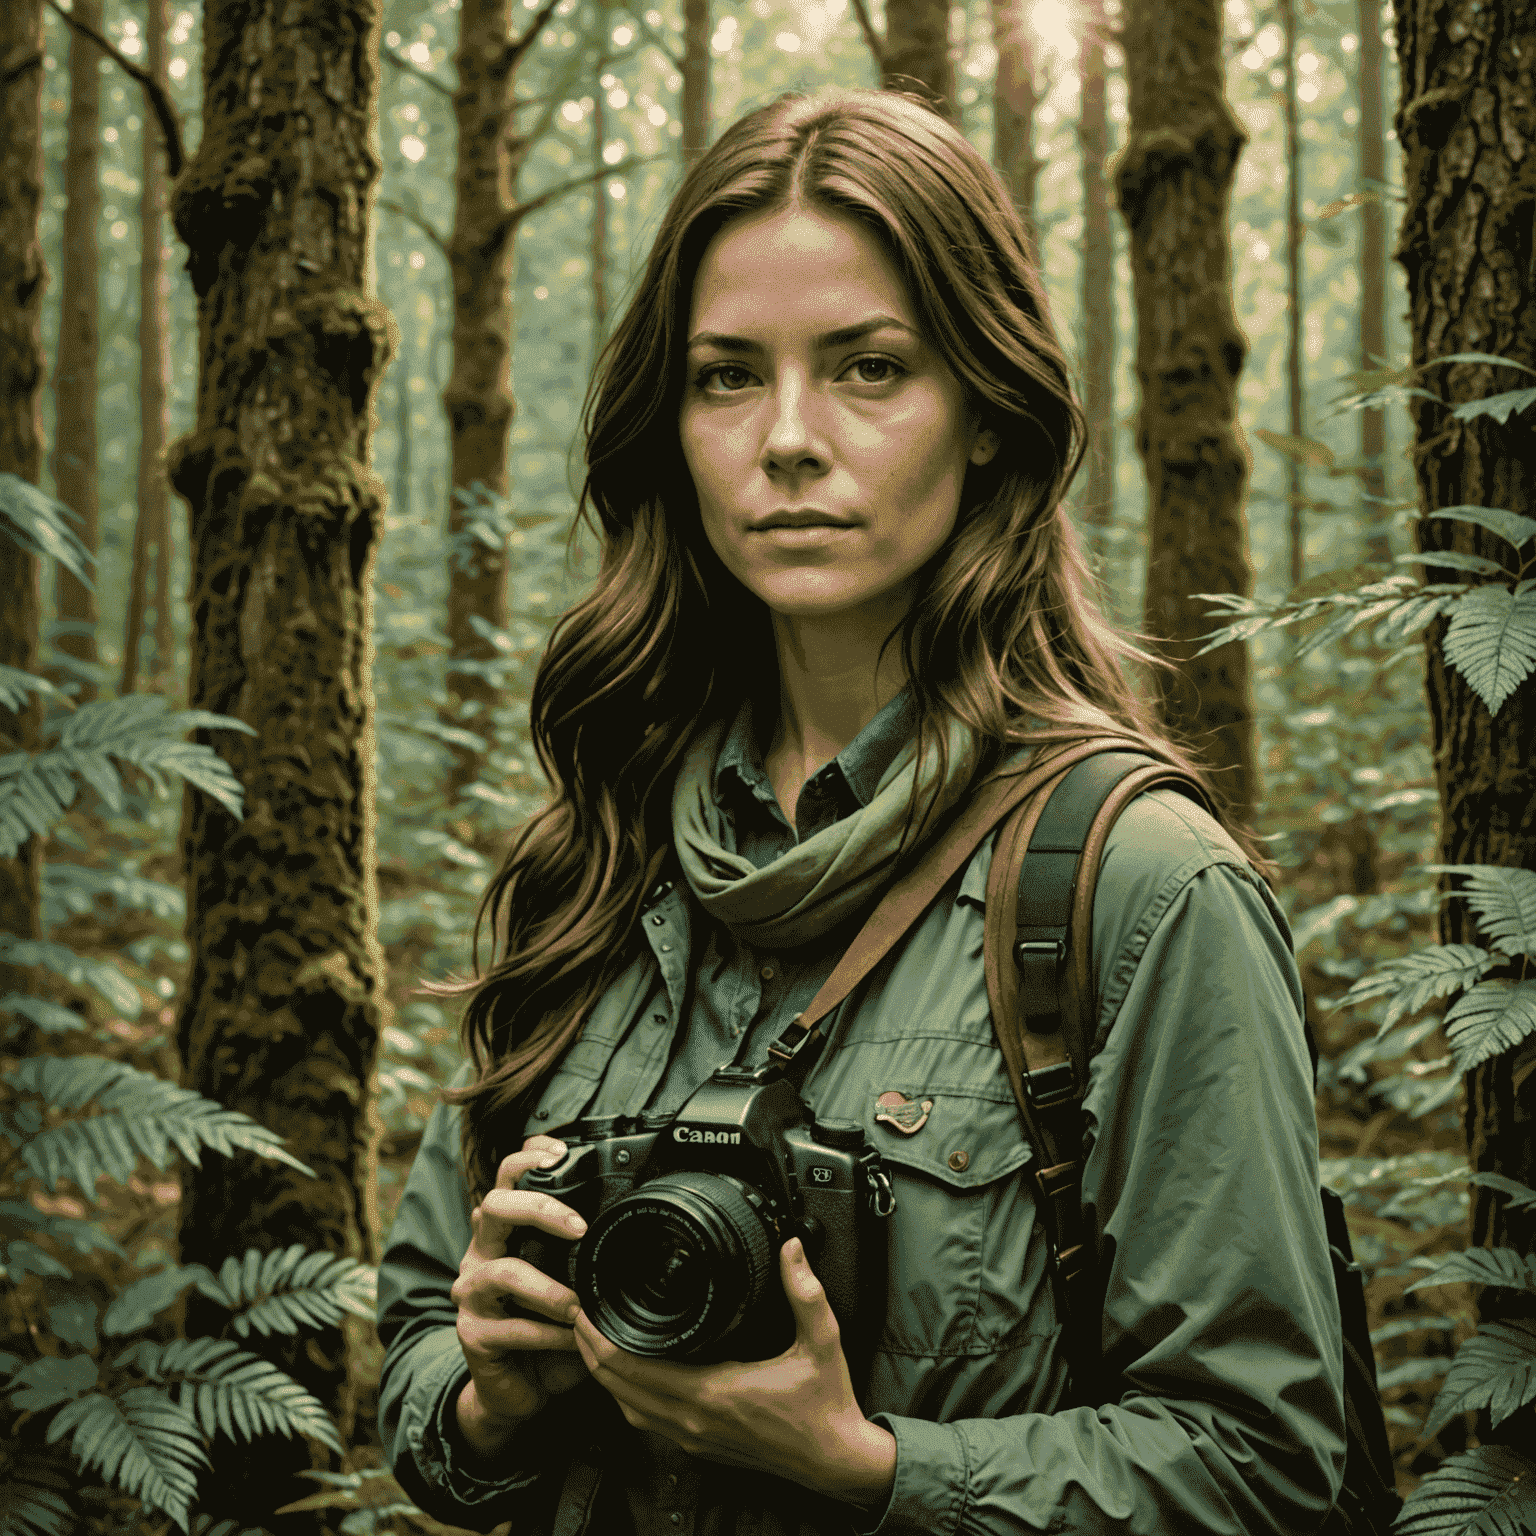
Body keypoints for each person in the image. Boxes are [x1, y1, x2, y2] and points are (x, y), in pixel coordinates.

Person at [378, 86, 1347, 1536]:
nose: (785, 438)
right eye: (724, 376)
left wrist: (873, 1471)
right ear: (674, 425)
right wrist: (484, 1397)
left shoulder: (1137, 894)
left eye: (869, 367)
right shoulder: (595, 859)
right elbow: (410, 1351)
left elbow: (1264, 1469)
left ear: (989, 420)